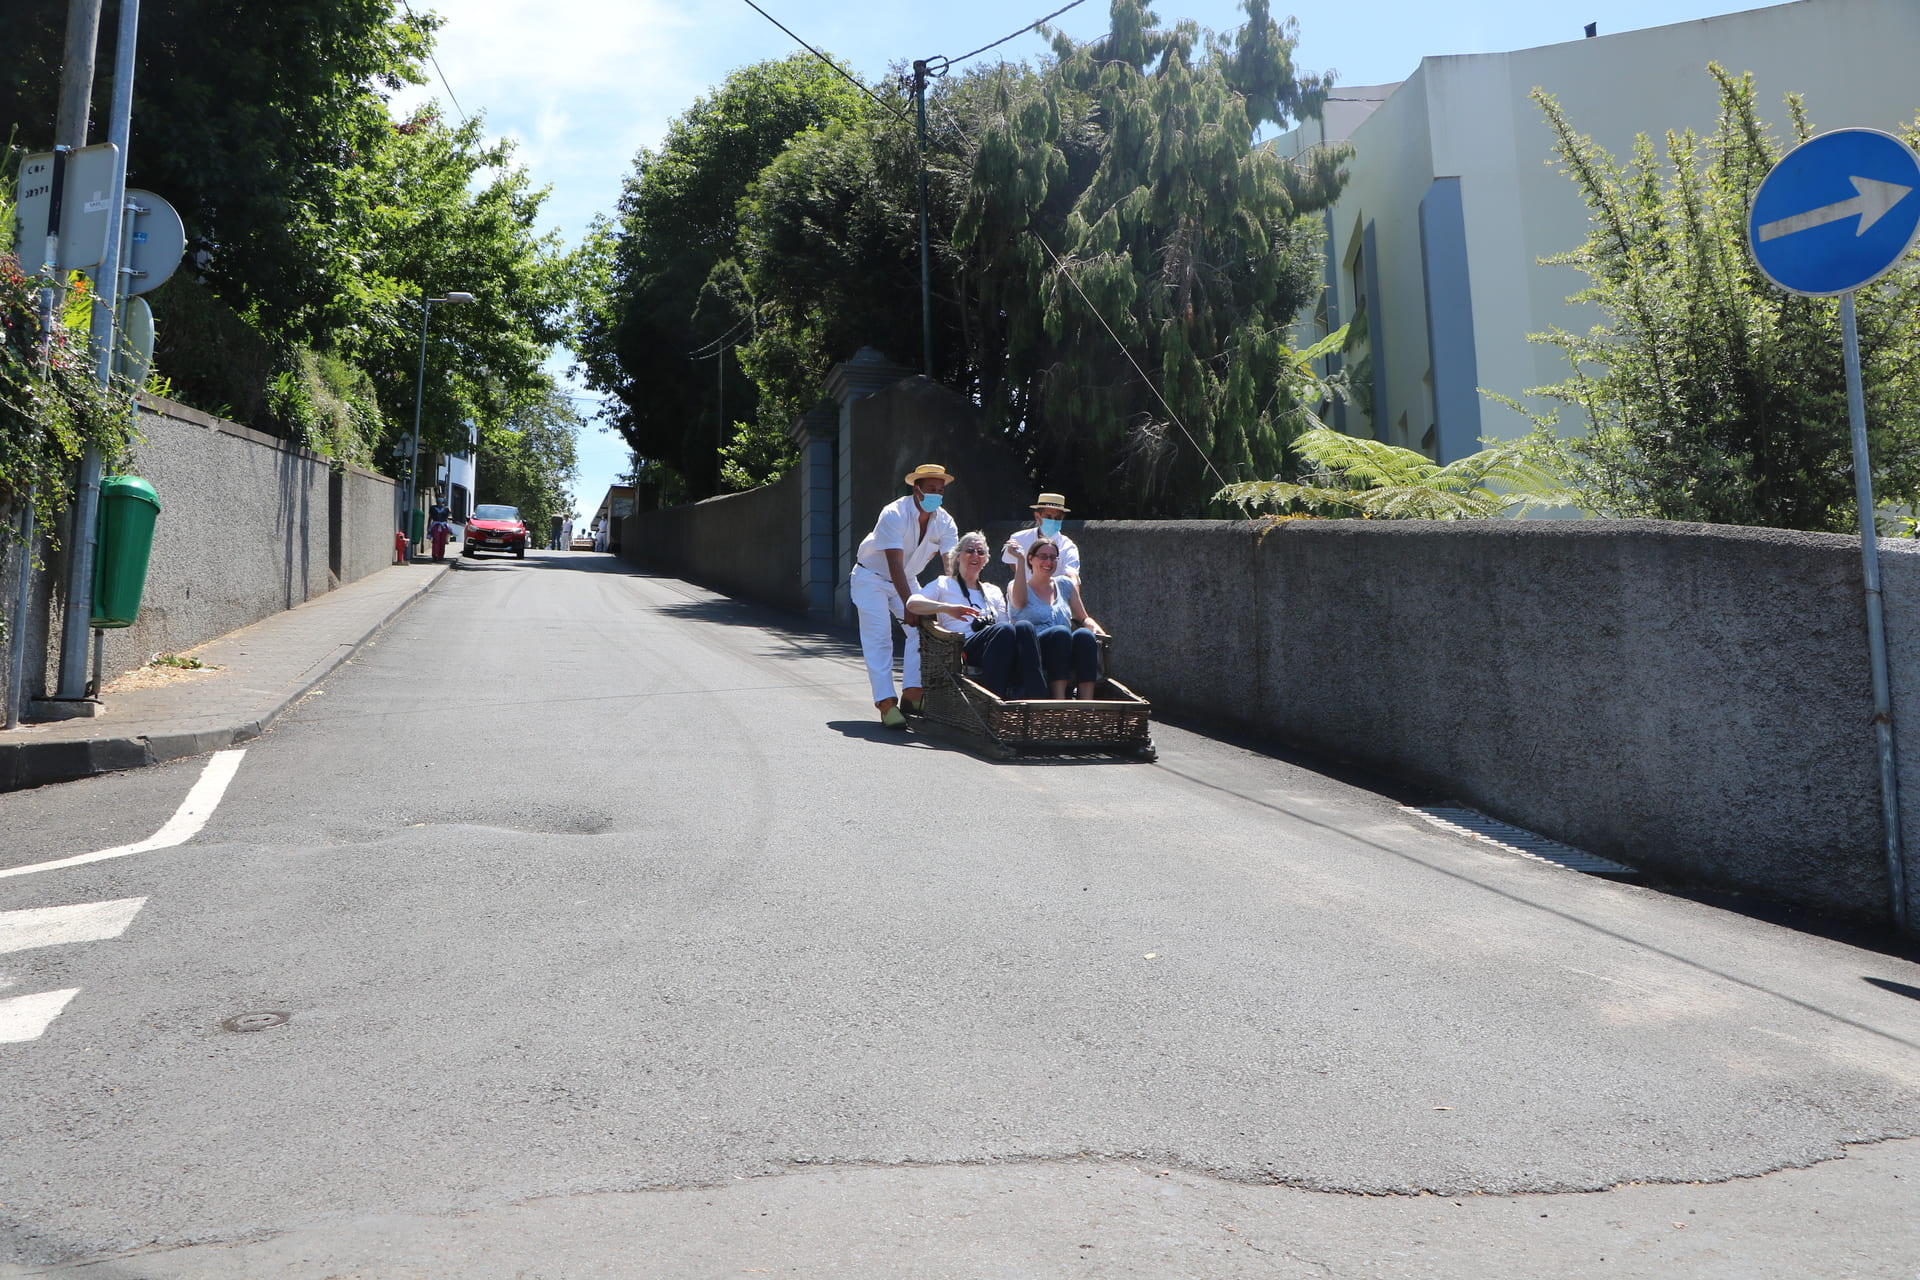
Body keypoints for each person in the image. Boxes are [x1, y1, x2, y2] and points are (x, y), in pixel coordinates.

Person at [851, 463, 960, 728]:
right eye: (931, 488)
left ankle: (912, 694)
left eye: (940, 490)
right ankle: (886, 704)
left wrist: (953, 600)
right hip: (871, 577)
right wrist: (910, 602)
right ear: (917, 488)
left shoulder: (944, 521)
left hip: (907, 578)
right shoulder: (894, 514)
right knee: (879, 638)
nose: (936, 494)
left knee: (924, 630)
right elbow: (893, 564)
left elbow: (950, 563)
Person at [907, 531, 1047, 700]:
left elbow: (1006, 625)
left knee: (1024, 627)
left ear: (985, 560)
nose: (975, 555)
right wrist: (946, 608)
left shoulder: (992, 591)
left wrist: (1020, 559)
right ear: (958, 556)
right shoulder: (943, 583)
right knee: (1004, 630)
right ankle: (994, 701)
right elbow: (912, 603)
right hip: (962, 646)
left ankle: (1039, 699)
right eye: (970, 550)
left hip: (995, 642)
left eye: (980, 552)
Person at [1005, 534, 1105, 700]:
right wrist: (1020, 561)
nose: (1048, 562)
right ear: (1031, 559)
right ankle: (1059, 700)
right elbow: (1020, 603)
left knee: (1084, 635)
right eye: (1043, 557)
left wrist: (1094, 628)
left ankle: (1087, 703)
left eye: (1053, 558)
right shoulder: (1016, 586)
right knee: (1060, 633)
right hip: (1035, 650)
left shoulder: (1065, 584)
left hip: (1065, 648)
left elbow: (1083, 617)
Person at [1001, 492, 1081, 585]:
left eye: (1058, 518)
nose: (1053, 521)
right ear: (1037, 516)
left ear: (1063, 518)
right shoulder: (1019, 539)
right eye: (1048, 517)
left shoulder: (1068, 546)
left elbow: (1072, 577)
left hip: (1054, 597)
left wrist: (1073, 595)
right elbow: (1013, 564)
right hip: (1024, 594)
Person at [428, 494, 453, 563]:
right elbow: (430, 517)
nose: (440, 499)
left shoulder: (447, 509)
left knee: (443, 541)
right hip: (436, 525)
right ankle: (435, 554)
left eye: (442, 498)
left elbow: (450, 518)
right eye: (439, 498)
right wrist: (429, 528)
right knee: (436, 540)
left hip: (444, 526)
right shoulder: (433, 508)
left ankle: (440, 555)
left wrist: (449, 529)